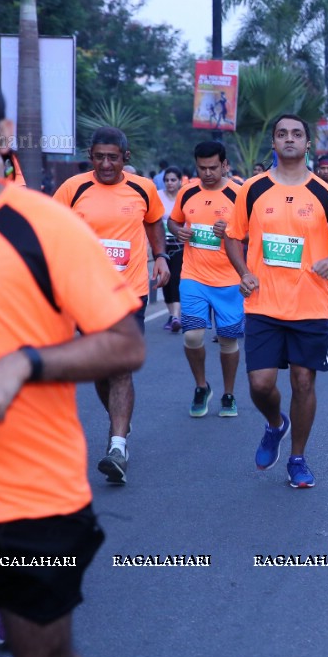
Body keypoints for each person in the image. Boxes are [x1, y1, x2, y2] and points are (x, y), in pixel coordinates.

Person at [0, 60, 144, 657]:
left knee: (40, 656)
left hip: (29, 498)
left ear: (1, 132)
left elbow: (125, 344)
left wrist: (24, 363)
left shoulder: (46, 227)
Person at [221, 114, 328, 488]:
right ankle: (274, 424)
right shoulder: (251, 189)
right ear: (274, 142)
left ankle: (297, 458)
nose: (289, 139)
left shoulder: (325, 194)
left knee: (303, 382)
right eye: (282, 134)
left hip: (310, 305)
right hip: (263, 303)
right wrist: (243, 272)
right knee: (261, 384)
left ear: (308, 144)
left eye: (297, 134)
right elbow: (233, 237)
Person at [54, 128, 170, 484]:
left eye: (113, 157)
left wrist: (162, 257)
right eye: (99, 157)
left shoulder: (143, 189)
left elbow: (153, 224)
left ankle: (117, 446)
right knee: (102, 371)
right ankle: (119, 418)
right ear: (91, 156)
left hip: (128, 292)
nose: (105, 164)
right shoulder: (73, 189)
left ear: (125, 157)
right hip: (84, 294)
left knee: (120, 368)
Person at [168, 141, 243, 418]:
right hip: (193, 276)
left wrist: (232, 230)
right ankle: (202, 386)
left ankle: (228, 393)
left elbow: (254, 234)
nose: (208, 173)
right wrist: (178, 231)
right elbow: (173, 221)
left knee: (227, 339)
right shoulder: (187, 192)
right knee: (192, 335)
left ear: (225, 165)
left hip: (229, 279)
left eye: (214, 167)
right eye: (202, 168)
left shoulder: (239, 193)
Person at [158, 165, 185, 332]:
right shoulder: (158, 196)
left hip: (180, 245)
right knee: (165, 282)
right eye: (167, 180)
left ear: (180, 181)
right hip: (162, 245)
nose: (170, 183)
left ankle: (176, 316)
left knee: (175, 278)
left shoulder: (184, 197)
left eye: (173, 180)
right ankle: (171, 315)